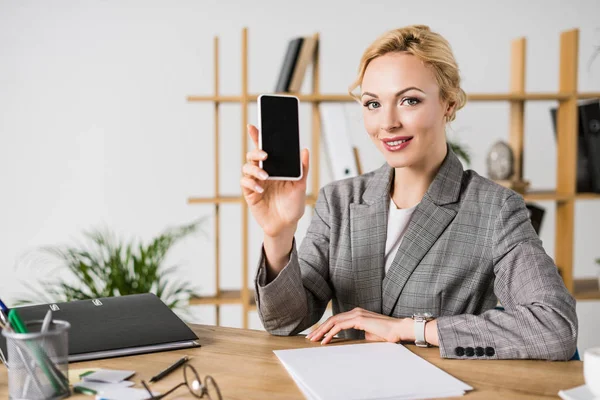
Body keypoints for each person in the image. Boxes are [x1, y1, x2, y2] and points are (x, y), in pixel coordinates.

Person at [240, 25, 577, 360]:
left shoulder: (495, 209)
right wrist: (278, 234)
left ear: (449, 102)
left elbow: (554, 328)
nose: (387, 123)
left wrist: (409, 329)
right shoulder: (338, 201)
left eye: (409, 100)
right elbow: (285, 321)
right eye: (373, 104)